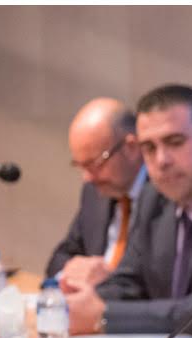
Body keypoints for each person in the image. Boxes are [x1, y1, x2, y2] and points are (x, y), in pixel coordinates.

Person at [65, 85, 192, 338]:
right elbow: (128, 283)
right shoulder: (152, 197)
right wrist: (81, 301)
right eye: (149, 148)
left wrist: (104, 314)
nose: (161, 160)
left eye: (175, 142)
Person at [47, 97, 147, 288]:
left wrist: (109, 280)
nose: (87, 177)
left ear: (131, 148)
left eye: (94, 164)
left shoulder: (165, 195)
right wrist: (75, 271)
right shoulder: (94, 192)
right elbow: (59, 258)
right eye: (80, 165)